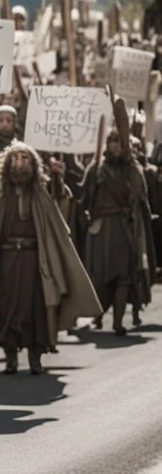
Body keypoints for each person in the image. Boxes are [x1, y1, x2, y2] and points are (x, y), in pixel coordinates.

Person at [0, 144, 100, 374]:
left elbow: (60, 210)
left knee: (36, 307)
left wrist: (57, 179)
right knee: (6, 306)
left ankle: (36, 357)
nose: (20, 162)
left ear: (33, 164)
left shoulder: (41, 191)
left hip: (36, 259)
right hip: (5, 259)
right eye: (15, 157)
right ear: (8, 163)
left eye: (25, 158)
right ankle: (11, 356)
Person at [81, 130, 155, 335]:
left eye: (120, 143)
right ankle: (97, 315)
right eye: (112, 142)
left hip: (123, 228)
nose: (116, 146)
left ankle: (118, 322)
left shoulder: (131, 169)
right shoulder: (96, 168)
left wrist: (133, 165)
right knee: (100, 276)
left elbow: (140, 194)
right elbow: (83, 198)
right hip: (101, 229)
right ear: (106, 145)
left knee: (124, 276)